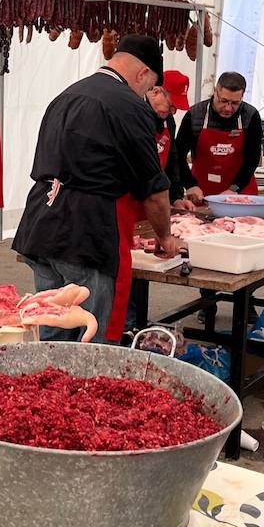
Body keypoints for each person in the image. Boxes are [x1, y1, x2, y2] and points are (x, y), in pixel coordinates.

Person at [13, 35, 182, 342]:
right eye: (150, 85)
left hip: (41, 224)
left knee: (54, 332)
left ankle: (52, 388)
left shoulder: (67, 95)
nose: (147, 93)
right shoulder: (128, 106)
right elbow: (154, 189)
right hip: (86, 234)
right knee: (93, 338)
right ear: (143, 73)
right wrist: (165, 236)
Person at [120, 70, 190, 337]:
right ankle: (125, 328)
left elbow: (171, 160)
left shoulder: (167, 121)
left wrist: (176, 196)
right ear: (156, 92)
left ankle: (137, 323)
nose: (172, 110)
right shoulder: (136, 117)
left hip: (152, 205)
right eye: (171, 103)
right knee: (127, 266)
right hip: (131, 202)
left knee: (143, 266)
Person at [177, 70, 264, 202]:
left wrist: (234, 188)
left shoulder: (250, 116)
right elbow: (178, 155)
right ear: (215, 91)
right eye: (223, 101)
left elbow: (252, 159)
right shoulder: (195, 115)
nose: (228, 108)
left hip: (240, 192)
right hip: (201, 193)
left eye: (235, 103)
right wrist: (190, 184)